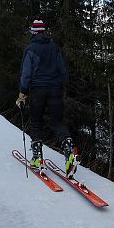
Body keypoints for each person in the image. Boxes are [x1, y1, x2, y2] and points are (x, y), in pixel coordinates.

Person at [16, 20, 78, 178]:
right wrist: (59, 86)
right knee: (57, 122)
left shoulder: (30, 49)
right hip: (55, 89)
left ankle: (37, 158)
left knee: (36, 122)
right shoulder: (54, 48)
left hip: (37, 90)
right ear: (43, 32)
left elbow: (26, 74)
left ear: (33, 32)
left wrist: (22, 93)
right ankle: (69, 150)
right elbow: (62, 71)